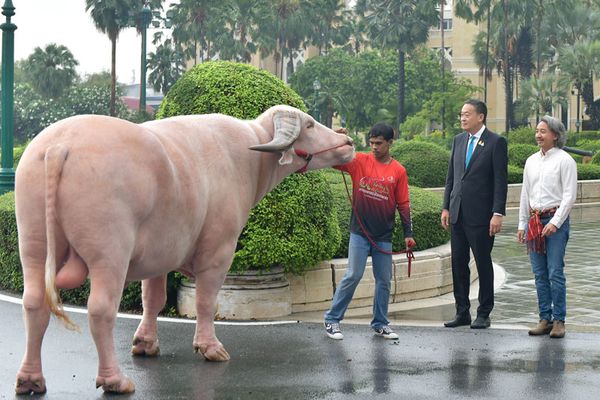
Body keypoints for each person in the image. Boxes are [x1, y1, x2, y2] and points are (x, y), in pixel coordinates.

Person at [324, 123, 416, 340]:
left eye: (379, 143)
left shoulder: (398, 171)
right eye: (372, 143)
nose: (374, 147)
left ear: (389, 143)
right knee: (353, 275)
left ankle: (380, 323)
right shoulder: (359, 161)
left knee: (384, 280)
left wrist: (408, 233)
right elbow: (332, 158)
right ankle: (332, 320)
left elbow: (403, 204)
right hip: (359, 232)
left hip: (383, 235)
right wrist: (335, 137)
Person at [441, 99, 508, 329]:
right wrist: (446, 206)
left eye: (467, 114)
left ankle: (484, 313)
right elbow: (452, 177)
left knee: (482, 263)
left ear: (481, 116)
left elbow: (500, 181)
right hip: (457, 213)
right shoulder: (458, 141)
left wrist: (497, 213)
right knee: (458, 263)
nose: (462, 118)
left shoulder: (495, 142)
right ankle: (462, 312)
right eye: (461, 114)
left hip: (481, 217)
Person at [517, 116, 577, 339]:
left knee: (555, 272)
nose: (538, 135)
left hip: (555, 223)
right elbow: (525, 194)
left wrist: (555, 222)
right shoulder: (531, 161)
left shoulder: (565, 161)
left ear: (556, 135)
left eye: (543, 131)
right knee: (539, 273)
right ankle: (545, 318)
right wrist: (522, 224)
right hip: (534, 221)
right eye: (537, 131)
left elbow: (569, 196)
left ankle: (560, 320)